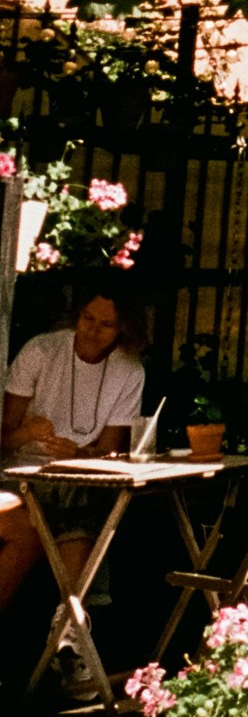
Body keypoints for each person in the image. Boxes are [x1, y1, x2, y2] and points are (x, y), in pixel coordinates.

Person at [0, 273, 151, 690]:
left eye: (105, 325)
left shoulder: (127, 369)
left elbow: (109, 451)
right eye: (87, 318)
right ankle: (72, 625)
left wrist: (79, 455)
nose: (93, 331)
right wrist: (29, 434)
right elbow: (3, 438)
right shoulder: (42, 351)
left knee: (82, 489)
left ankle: (68, 624)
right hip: (20, 472)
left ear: (124, 329)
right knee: (78, 498)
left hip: (76, 477)